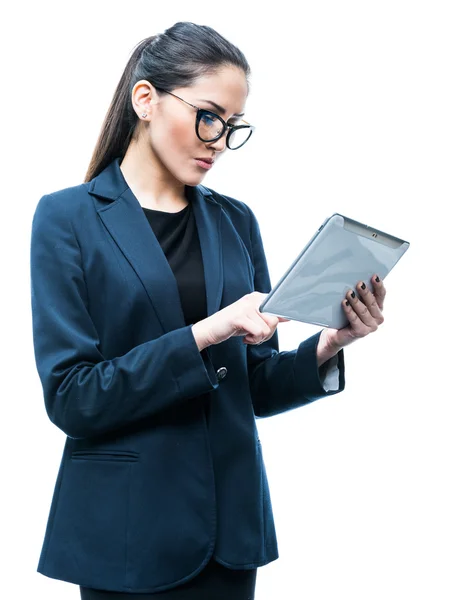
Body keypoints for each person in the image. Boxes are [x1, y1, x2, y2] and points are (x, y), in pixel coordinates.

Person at [30, 21, 386, 600]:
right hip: (127, 535)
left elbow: (256, 386)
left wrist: (331, 344)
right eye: (209, 116)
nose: (219, 139)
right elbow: (73, 397)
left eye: (233, 126)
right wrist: (205, 331)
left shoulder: (234, 220)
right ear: (145, 99)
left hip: (230, 532)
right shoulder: (66, 218)